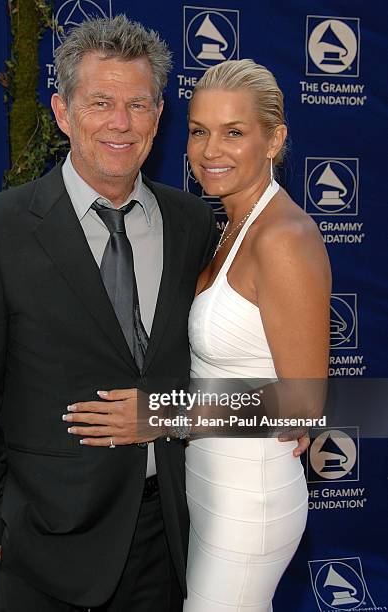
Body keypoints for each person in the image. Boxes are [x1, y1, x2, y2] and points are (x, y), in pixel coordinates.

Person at [0, 15, 219, 612]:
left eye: (138, 104)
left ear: (159, 116)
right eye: (101, 103)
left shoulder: (193, 224)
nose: (121, 122)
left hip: (167, 540)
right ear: (63, 113)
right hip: (42, 548)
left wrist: (166, 414)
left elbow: (229, 377)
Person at [182, 59, 331, 611]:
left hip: (252, 496)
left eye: (234, 132)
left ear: (275, 139)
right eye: (199, 130)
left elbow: (303, 402)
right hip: (212, 483)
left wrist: (158, 414)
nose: (210, 150)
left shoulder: (283, 236)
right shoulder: (233, 225)